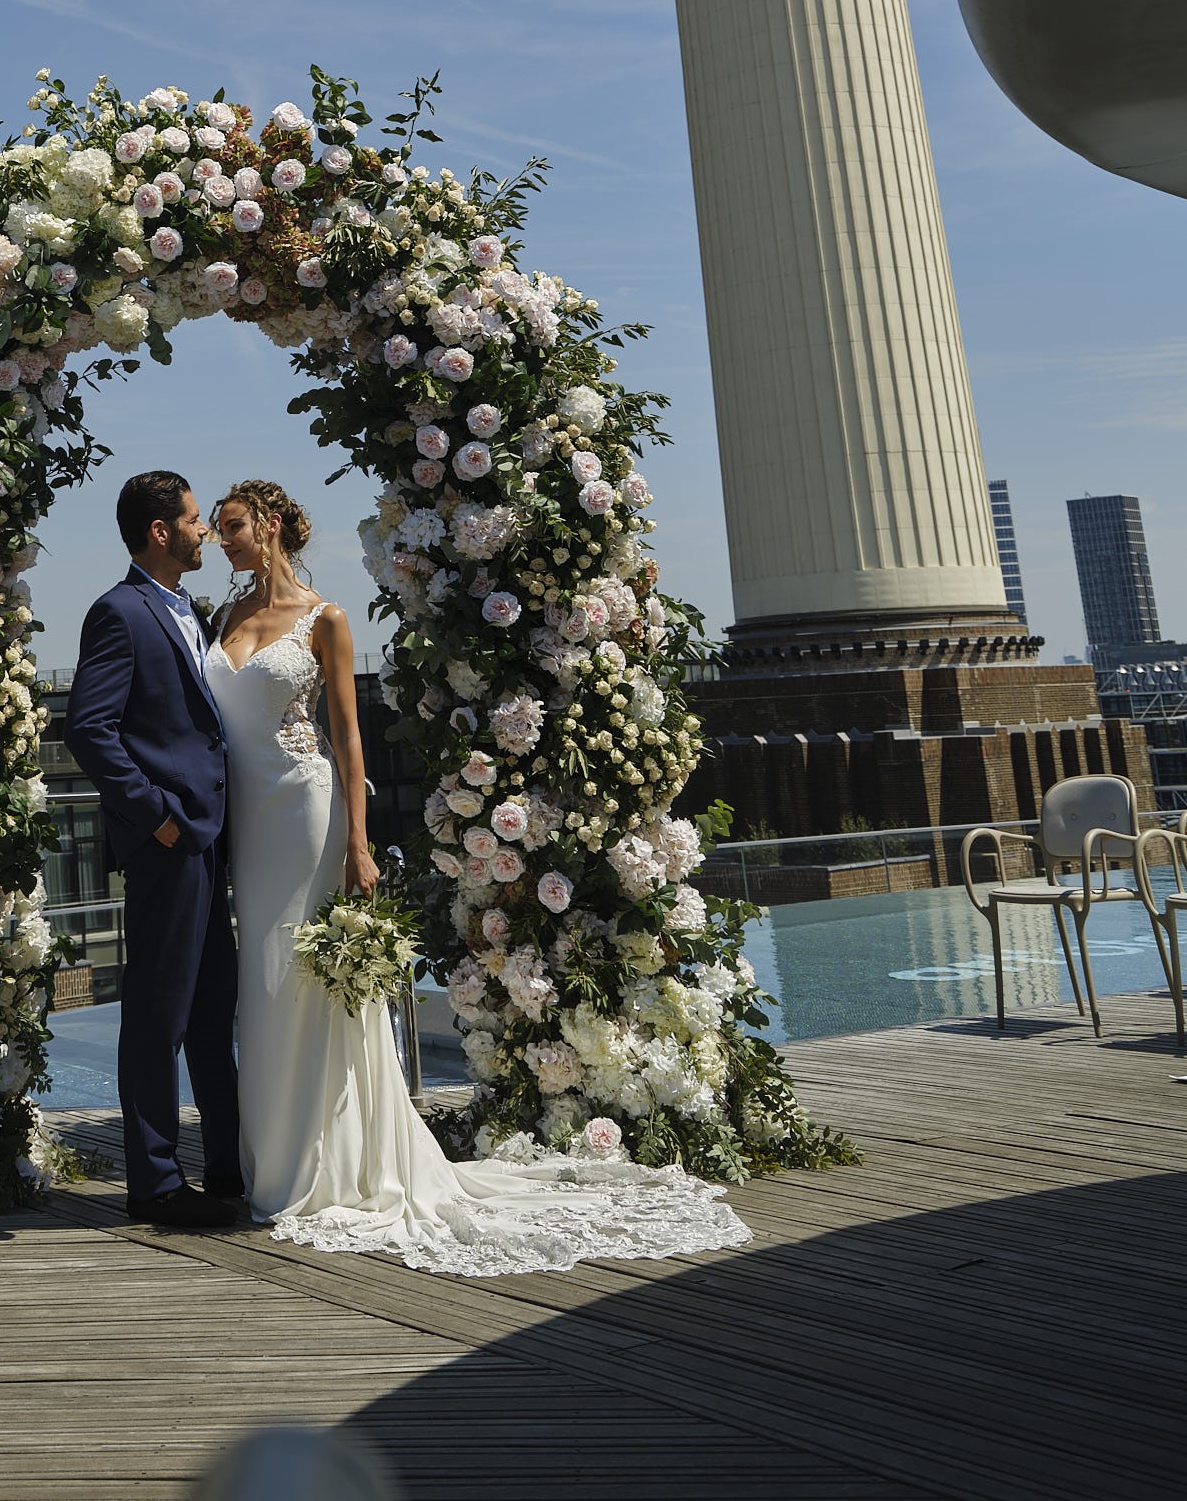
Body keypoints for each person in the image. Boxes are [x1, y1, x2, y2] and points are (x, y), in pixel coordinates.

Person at [205, 477, 750, 1277]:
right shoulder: (218, 619)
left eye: (236, 527)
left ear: (274, 524)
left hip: (305, 811)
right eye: (219, 531)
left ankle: (329, 1163)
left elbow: (351, 742)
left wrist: (360, 843)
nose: (225, 542)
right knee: (262, 975)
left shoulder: (327, 619)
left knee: (304, 972)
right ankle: (272, 1159)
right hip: (245, 826)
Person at [63, 469, 247, 1227]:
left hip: (209, 840)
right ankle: (157, 1185)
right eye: (197, 520)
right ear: (161, 531)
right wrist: (157, 816)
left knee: (212, 1011)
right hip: (171, 842)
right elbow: (88, 729)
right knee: (157, 1015)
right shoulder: (119, 611)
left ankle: (229, 1169)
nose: (206, 531)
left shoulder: (188, 610)